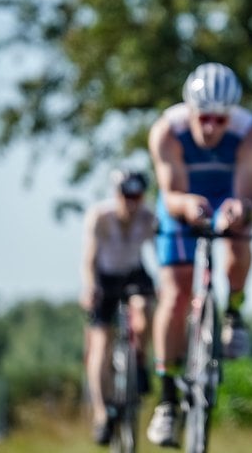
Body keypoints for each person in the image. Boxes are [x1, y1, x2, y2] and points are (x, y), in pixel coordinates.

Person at [144, 62, 252, 447]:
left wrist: (238, 210)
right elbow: (171, 193)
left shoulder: (250, 135)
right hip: (183, 200)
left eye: (220, 118)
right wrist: (188, 208)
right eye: (204, 118)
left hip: (225, 197)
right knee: (177, 292)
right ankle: (166, 400)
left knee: (238, 239)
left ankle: (233, 312)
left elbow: (247, 196)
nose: (212, 128)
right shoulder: (168, 131)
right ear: (190, 111)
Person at [80, 168, 158, 446]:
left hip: (134, 273)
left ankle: (139, 359)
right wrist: (90, 287)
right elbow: (89, 259)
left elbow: (160, 255)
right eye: (126, 195)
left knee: (146, 307)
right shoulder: (101, 218)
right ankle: (103, 414)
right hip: (105, 277)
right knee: (101, 344)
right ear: (117, 195)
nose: (131, 202)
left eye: (137, 196)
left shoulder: (148, 219)